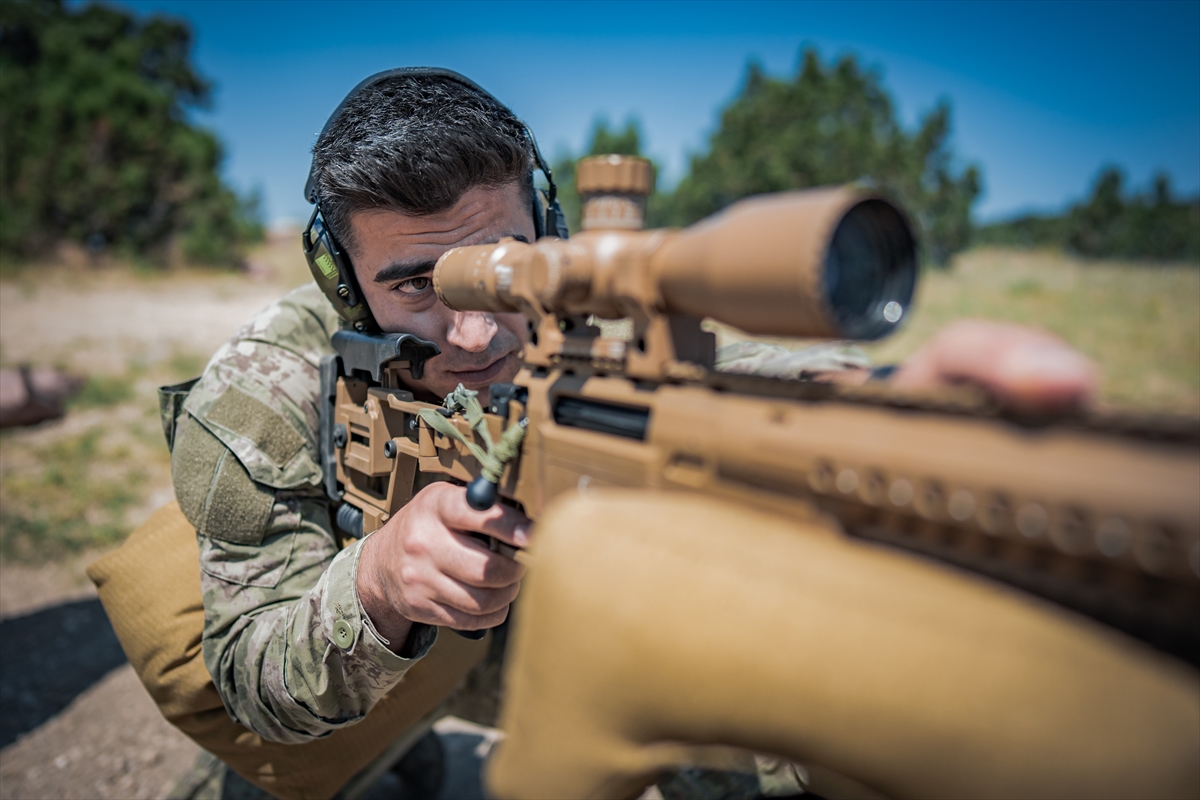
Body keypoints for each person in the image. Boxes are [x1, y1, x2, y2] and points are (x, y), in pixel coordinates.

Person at [168, 68, 1097, 793]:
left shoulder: (578, 301)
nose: (478, 333)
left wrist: (878, 414)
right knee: (269, 765)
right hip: (366, 644)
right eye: (418, 286)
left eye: (503, 265)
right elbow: (248, 674)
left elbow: (722, 377)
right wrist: (378, 582)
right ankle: (386, 746)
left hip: (548, 629)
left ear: (548, 230)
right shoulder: (265, 389)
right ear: (344, 285)